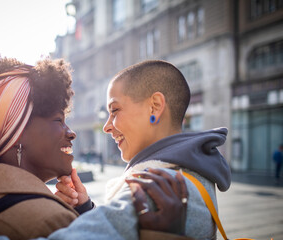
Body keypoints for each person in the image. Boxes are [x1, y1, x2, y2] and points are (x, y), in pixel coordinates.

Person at [0, 52, 190, 240]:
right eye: (58, 120)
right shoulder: (48, 219)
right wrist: (163, 234)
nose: (71, 133)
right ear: (15, 134)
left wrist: (84, 209)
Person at [55, 60, 231, 239]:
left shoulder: (157, 188)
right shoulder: (193, 170)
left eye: (114, 110)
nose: (106, 127)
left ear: (154, 106)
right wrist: (85, 207)